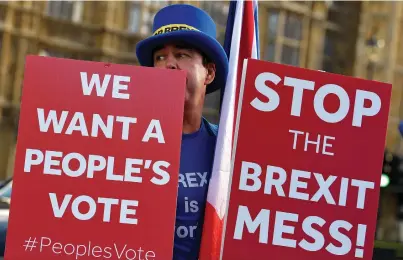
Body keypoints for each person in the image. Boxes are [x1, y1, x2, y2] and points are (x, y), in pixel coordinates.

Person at [136, 4, 229, 260]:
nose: (170, 65)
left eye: (182, 55)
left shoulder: (227, 149)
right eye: (160, 58)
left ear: (209, 72)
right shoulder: (126, 141)